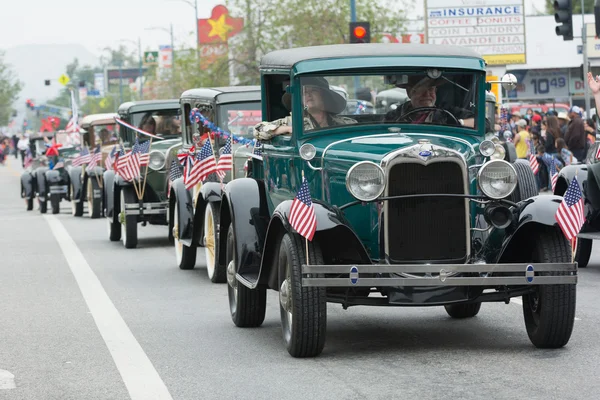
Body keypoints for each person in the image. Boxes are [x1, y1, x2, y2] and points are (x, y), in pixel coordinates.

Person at [254, 77, 356, 140]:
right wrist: (289, 129)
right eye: (304, 92)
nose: (308, 95)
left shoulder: (343, 123)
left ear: (324, 97)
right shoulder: (292, 122)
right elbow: (258, 130)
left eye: (314, 91)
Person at [383, 74, 476, 127]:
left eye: (431, 90)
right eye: (421, 90)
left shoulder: (447, 113)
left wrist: (459, 123)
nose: (427, 95)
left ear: (435, 91)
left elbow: (483, 124)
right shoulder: (395, 116)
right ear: (409, 93)